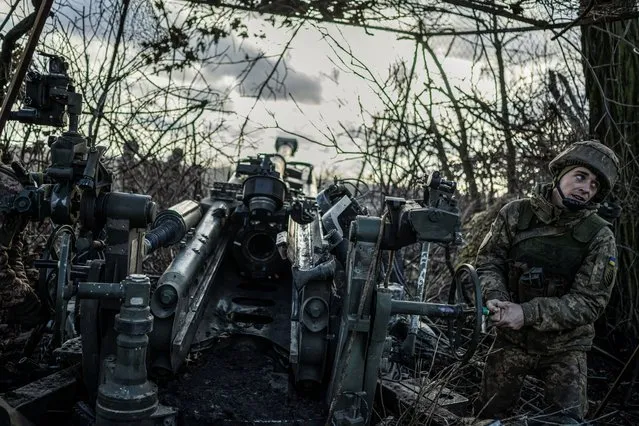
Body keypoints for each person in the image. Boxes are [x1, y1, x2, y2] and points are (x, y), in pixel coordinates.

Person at [473, 140, 620, 423]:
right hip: (511, 340)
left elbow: (590, 303)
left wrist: (527, 313)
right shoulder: (515, 214)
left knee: (567, 422)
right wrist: (496, 297)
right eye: (580, 177)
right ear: (560, 173)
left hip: (564, 348)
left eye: (594, 186)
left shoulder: (599, 236)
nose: (586, 188)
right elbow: (489, 261)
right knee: (488, 417)